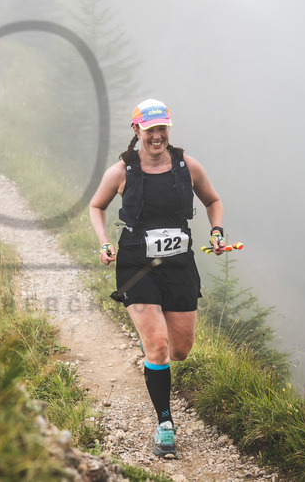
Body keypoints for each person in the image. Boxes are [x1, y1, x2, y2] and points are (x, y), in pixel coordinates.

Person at [89, 98, 228, 459]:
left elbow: (213, 201)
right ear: (136, 131)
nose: (157, 135)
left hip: (179, 264)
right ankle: (165, 424)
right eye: (150, 129)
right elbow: (96, 206)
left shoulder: (187, 166)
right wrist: (104, 243)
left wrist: (216, 232)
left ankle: (155, 354)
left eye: (162, 128)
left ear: (169, 129)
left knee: (180, 350)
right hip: (137, 263)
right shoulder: (122, 172)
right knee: (159, 345)